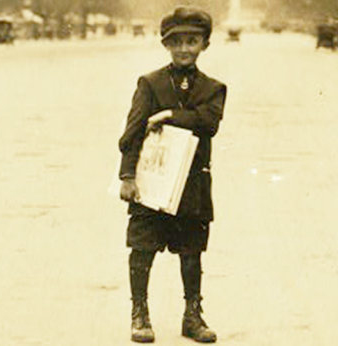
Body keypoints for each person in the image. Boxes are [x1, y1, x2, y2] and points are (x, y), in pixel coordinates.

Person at [117, 5, 227, 344]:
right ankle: (140, 313)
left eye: (192, 41)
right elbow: (132, 132)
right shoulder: (149, 84)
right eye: (176, 42)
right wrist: (127, 176)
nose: (184, 49)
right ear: (166, 45)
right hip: (152, 181)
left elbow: (209, 123)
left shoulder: (213, 88)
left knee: (192, 251)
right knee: (143, 246)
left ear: (205, 45)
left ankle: (192, 315)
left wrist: (167, 115)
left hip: (192, 184)